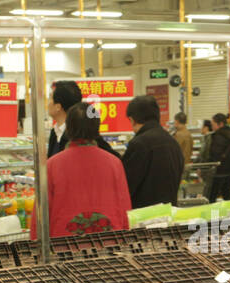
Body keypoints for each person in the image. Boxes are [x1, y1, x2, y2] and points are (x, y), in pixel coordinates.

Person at [34, 103, 130, 239]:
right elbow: (125, 208)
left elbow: (40, 216)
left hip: (64, 246)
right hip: (109, 243)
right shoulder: (114, 163)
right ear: (97, 128)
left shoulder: (52, 165)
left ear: (69, 128)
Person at [122, 95, 184, 207]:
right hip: (170, 212)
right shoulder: (172, 142)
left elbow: (126, 185)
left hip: (144, 216)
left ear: (132, 120)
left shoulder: (139, 144)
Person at [207, 112, 230, 202]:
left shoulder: (219, 136)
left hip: (218, 171)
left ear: (220, 124)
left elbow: (215, 154)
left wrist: (207, 165)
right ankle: (229, 215)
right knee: (226, 194)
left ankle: (213, 215)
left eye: (213, 124)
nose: (212, 127)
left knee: (212, 197)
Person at [47, 81, 83, 158]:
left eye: (50, 98)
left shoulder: (80, 134)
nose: (47, 103)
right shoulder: (55, 132)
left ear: (58, 107)